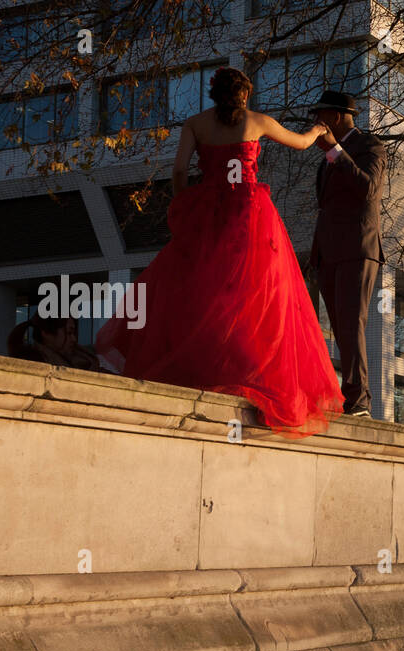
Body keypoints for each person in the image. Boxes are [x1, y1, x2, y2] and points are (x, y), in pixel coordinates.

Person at [95, 67, 343, 437]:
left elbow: (179, 170)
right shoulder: (257, 121)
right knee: (252, 293)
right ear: (244, 95)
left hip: (210, 209)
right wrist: (319, 131)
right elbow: (302, 143)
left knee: (199, 288)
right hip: (246, 209)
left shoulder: (194, 124)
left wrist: (186, 203)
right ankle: (244, 368)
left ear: (214, 94)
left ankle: (203, 366)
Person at [307, 90, 387, 418]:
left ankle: (359, 401)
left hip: (358, 248)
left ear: (336, 118)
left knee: (352, 323)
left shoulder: (370, 146)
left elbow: (368, 189)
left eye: (320, 116)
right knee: (339, 328)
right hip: (328, 253)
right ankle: (347, 396)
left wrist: (335, 151)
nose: (316, 123)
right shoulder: (329, 157)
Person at [8, 314, 99, 371]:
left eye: (73, 333)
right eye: (69, 333)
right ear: (46, 333)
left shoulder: (81, 359)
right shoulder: (34, 365)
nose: (73, 339)